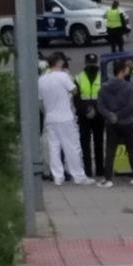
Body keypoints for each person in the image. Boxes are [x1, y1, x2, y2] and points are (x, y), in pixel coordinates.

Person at [38, 52, 92, 186]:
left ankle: (58, 177)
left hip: (50, 117)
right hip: (65, 117)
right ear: (59, 62)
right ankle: (79, 176)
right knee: (72, 147)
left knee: (54, 147)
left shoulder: (42, 79)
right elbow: (74, 90)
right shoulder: (63, 76)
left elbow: (40, 99)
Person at [97, 60, 133, 187]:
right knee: (131, 149)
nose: (128, 70)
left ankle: (108, 178)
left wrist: (110, 115)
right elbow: (130, 106)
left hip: (111, 124)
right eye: (126, 68)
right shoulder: (128, 87)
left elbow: (100, 105)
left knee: (110, 151)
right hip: (127, 122)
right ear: (122, 71)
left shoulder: (104, 87)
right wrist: (119, 115)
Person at [75, 53, 106, 182]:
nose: (92, 66)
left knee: (99, 142)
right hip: (84, 115)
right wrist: (86, 110)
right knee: (85, 143)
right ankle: (87, 169)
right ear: (86, 63)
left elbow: (105, 97)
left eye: (93, 64)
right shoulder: (78, 78)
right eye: (90, 63)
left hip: (99, 115)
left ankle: (100, 169)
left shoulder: (103, 77)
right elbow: (76, 99)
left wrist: (98, 110)